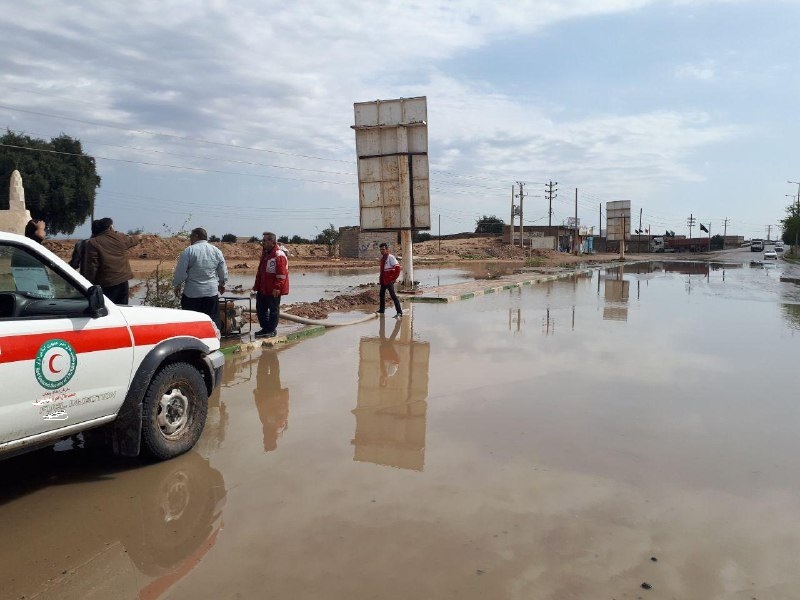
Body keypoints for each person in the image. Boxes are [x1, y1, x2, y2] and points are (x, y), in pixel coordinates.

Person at [173, 227, 228, 326]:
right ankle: (213, 341)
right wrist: (222, 284)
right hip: (211, 293)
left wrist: (177, 285)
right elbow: (223, 272)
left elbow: (181, 272)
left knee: (191, 324)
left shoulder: (188, 251)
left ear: (196, 236)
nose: (190, 239)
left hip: (192, 295)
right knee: (212, 323)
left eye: (191, 236)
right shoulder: (216, 251)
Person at [84, 217, 140, 304]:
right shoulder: (119, 237)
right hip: (123, 281)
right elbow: (132, 240)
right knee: (122, 308)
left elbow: (92, 267)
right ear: (110, 228)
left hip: (106, 283)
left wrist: (88, 284)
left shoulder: (93, 242)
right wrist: (139, 237)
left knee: (108, 309)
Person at [252, 231, 289, 338]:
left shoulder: (279, 255)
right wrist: (256, 286)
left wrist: (277, 287)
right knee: (260, 308)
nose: (262, 242)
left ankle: (271, 330)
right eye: (263, 240)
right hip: (263, 288)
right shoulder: (265, 253)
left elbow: (281, 274)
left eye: (264, 240)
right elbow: (261, 271)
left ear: (272, 241)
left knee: (273, 310)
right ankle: (265, 328)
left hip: (273, 288)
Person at [253, 349, 289, 452]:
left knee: (262, 372)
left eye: (265, 441)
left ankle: (266, 353)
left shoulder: (269, 427)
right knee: (273, 371)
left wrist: (256, 396)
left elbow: (261, 410)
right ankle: (270, 352)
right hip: (272, 394)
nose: (264, 439)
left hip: (265, 394)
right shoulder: (278, 425)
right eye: (266, 441)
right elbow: (283, 409)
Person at [377, 242, 403, 318]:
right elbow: (382, 271)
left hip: (389, 281)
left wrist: (393, 279)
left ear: (387, 249)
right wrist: (380, 280)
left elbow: (397, 268)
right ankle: (382, 310)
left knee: (393, 296)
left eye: (383, 249)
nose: (382, 251)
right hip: (383, 281)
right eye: (381, 249)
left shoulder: (391, 257)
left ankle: (399, 312)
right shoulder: (382, 259)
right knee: (381, 295)